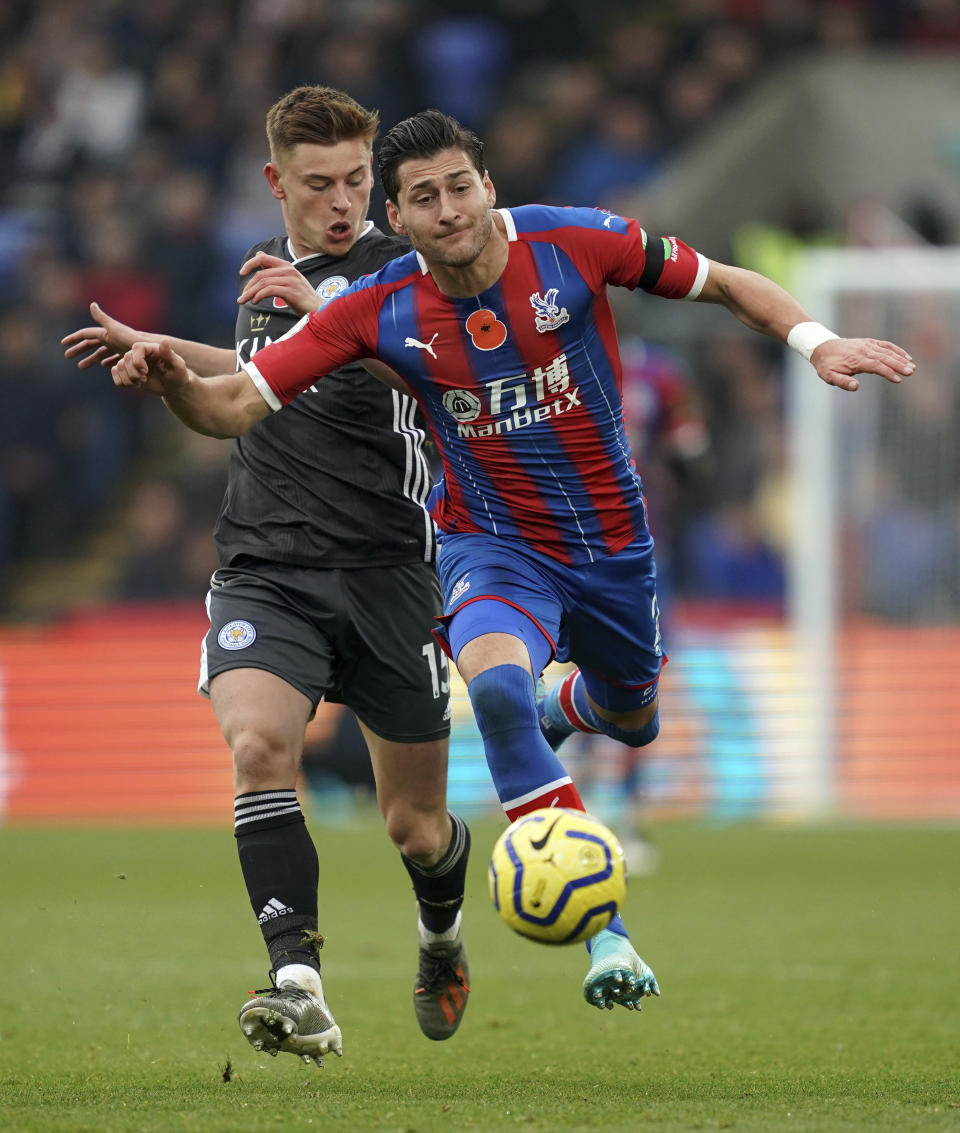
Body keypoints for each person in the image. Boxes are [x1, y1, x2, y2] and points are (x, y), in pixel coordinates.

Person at [107, 108, 915, 1015]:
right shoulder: (378, 307)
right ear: (400, 222)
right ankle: (602, 927)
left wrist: (817, 341)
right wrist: (173, 378)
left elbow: (725, 282)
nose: (447, 209)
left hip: (612, 547)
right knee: (485, 691)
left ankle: (558, 702)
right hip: (487, 545)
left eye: (459, 187)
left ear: (488, 187)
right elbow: (233, 408)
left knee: (631, 715)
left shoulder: (577, 241)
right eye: (424, 198)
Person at [63, 89, 473, 1065]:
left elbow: (438, 377)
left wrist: (324, 305)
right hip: (267, 566)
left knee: (415, 826)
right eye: (319, 184)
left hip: (388, 573)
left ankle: (440, 937)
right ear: (275, 181)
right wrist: (166, 367)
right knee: (257, 747)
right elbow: (252, 383)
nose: (342, 203)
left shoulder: (406, 268)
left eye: (356, 183)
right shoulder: (266, 283)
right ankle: (299, 978)